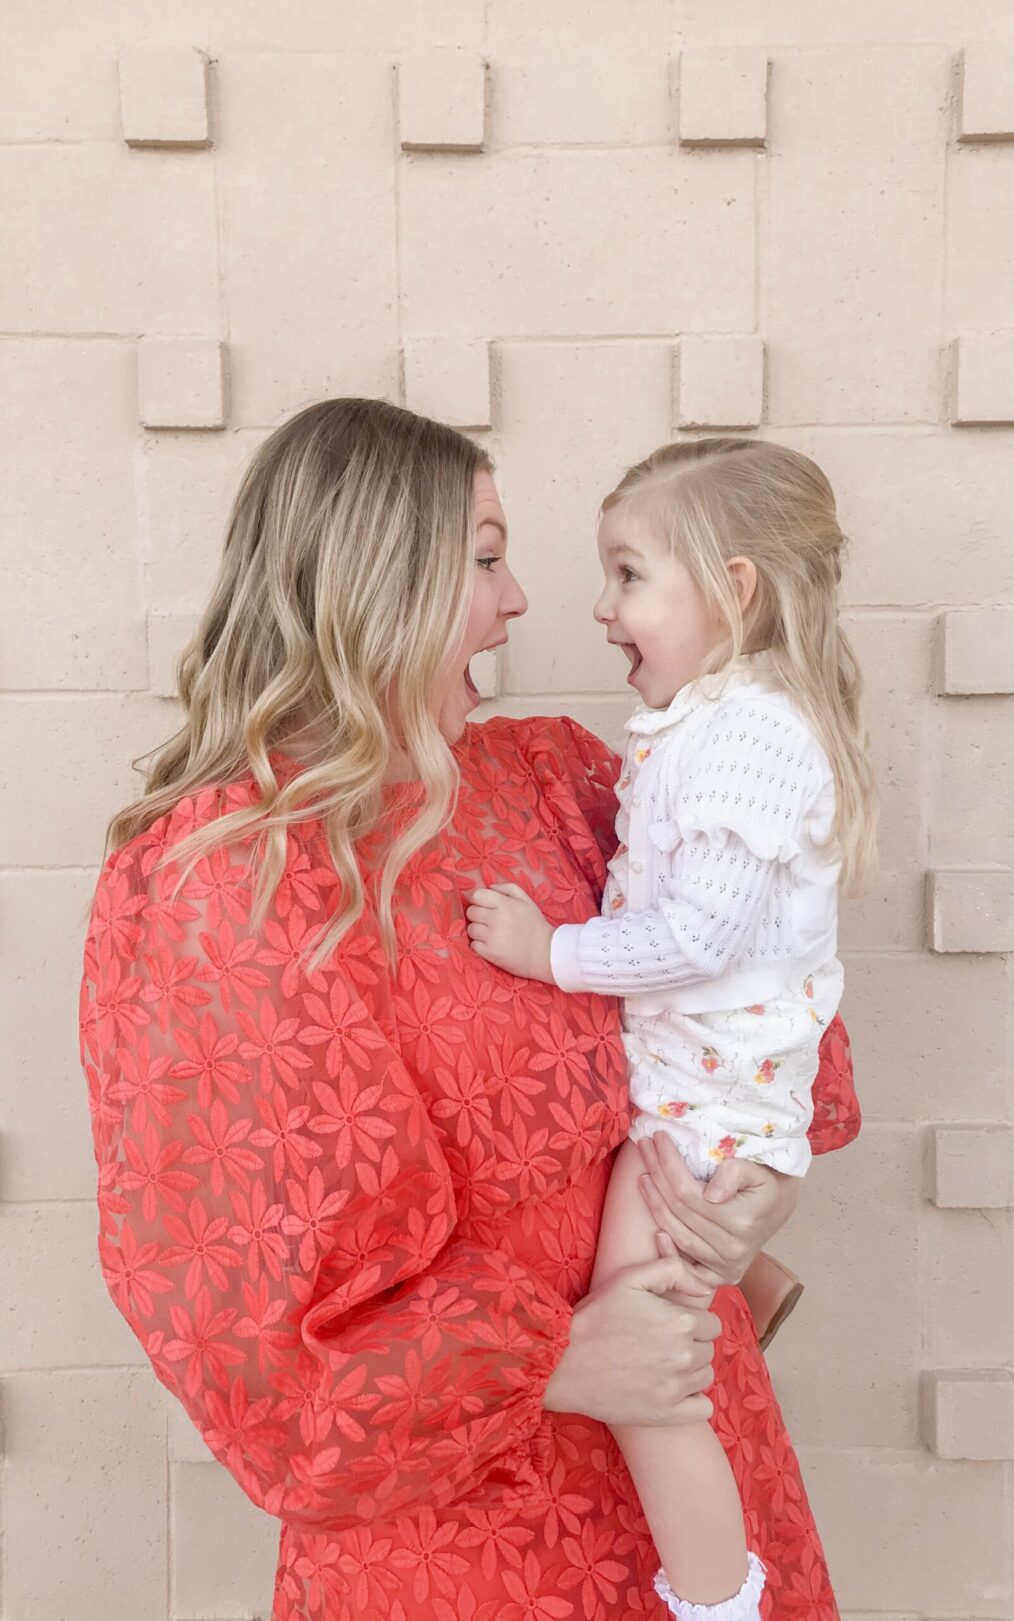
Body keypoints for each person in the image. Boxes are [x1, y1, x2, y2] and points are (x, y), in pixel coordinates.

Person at [77, 399, 862, 1621]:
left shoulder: (557, 776)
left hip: (691, 1439)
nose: (523, 601)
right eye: (486, 558)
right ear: (378, 583)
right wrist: (554, 1358)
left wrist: (758, 1187)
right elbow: (240, 1317)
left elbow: (753, 982)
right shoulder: (226, 878)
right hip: (464, 1528)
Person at [466, 437, 877, 1621]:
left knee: (650, 1377)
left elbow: (709, 940)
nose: (587, 607)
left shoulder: (739, 741)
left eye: (629, 576)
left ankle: (714, 1602)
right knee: (656, 1356)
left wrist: (548, 952)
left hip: (697, 1121)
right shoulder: (713, 726)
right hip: (696, 1113)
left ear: (735, 587)